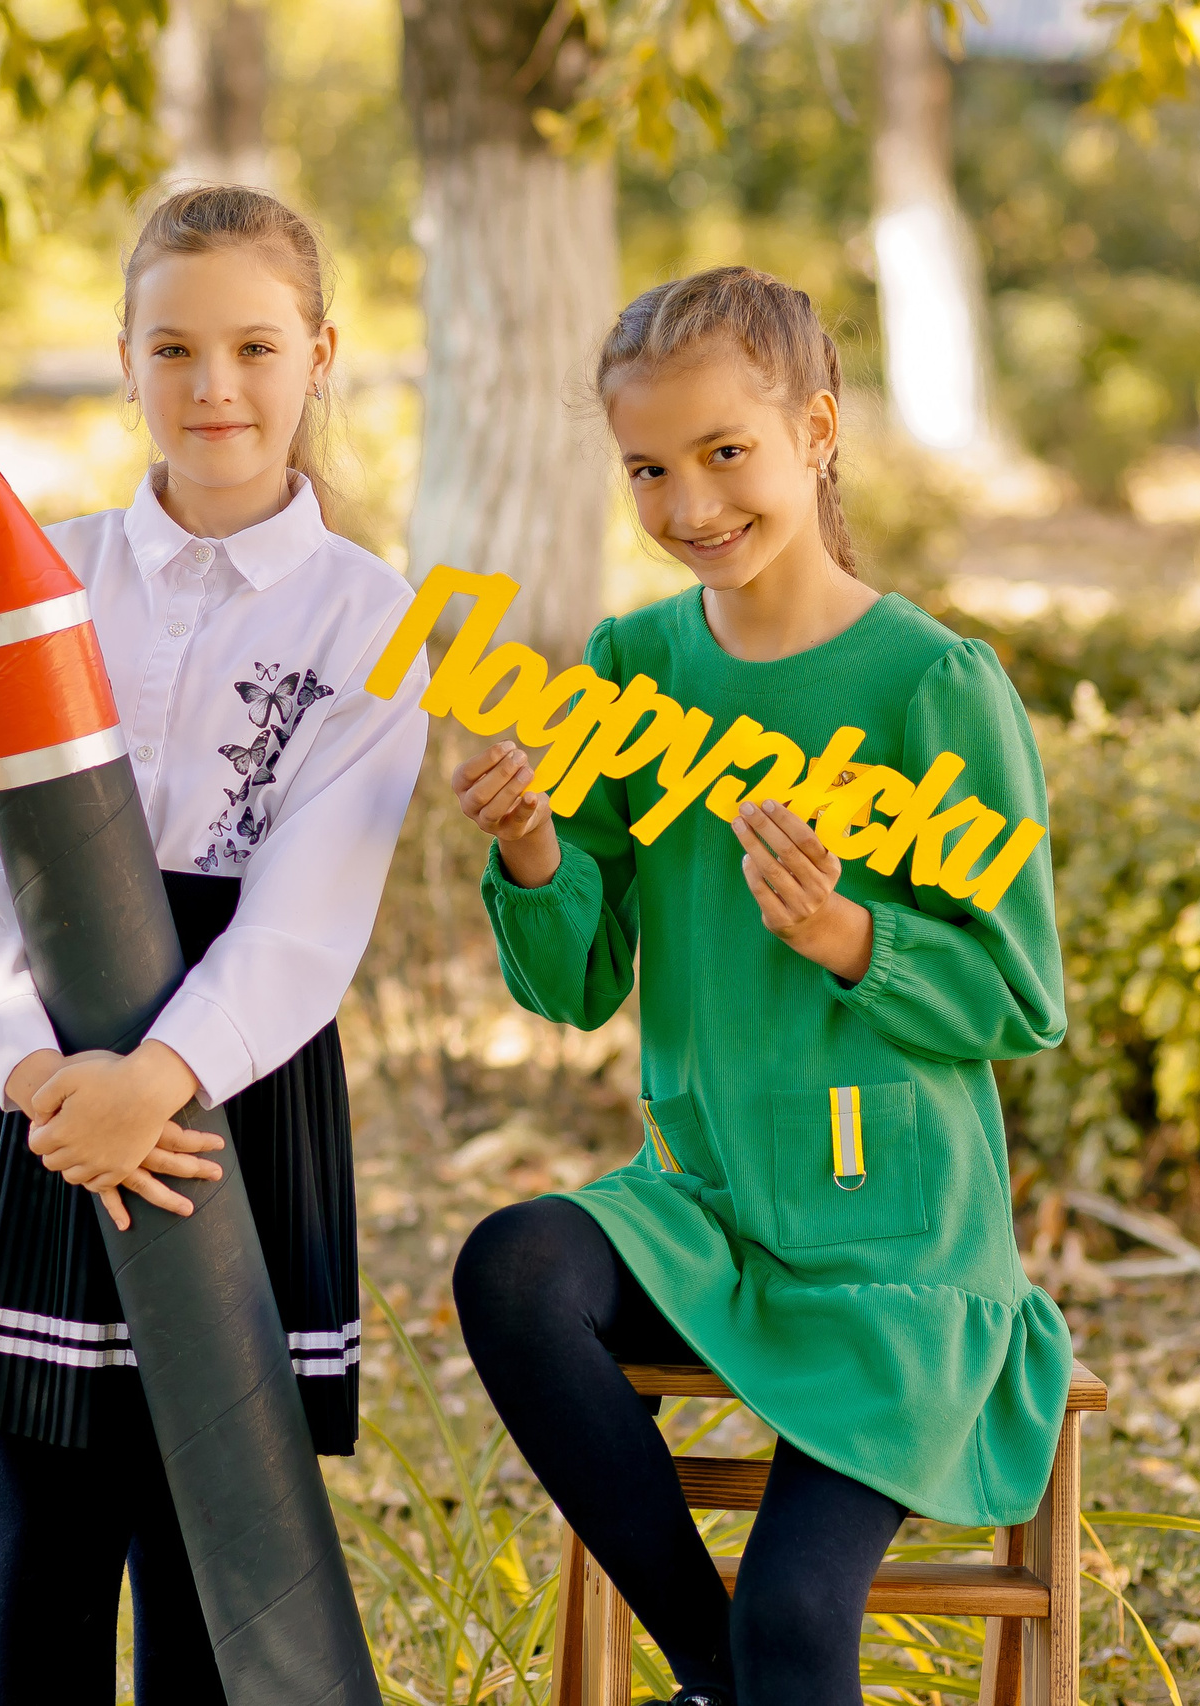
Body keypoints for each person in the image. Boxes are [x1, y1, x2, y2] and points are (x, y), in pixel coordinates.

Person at [446, 266, 1071, 1706]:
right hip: (704, 1216)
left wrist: (854, 938)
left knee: (798, 1618)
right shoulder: (632, 670)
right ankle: (712, 1675)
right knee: (514, 1265)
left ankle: (744, 1668)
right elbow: (577, 983)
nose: (691, 503)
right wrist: (535, 848)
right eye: (649, 469)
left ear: (820, 429)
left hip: (891, 1254)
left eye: (726, 450)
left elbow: (1020, 992)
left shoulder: (932, 683)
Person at [0, 185, 430, 1705]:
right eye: (173, 348)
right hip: (41, 1076)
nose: (214, 385)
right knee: (47, 1532)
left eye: (255, 346)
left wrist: (156, 1082)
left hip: (230, 1088)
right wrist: (42, 1081)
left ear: (320, 354)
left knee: (208, 1542)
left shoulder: (371, 618)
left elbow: (308, 917)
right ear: (125, 360)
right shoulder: (47, 578)